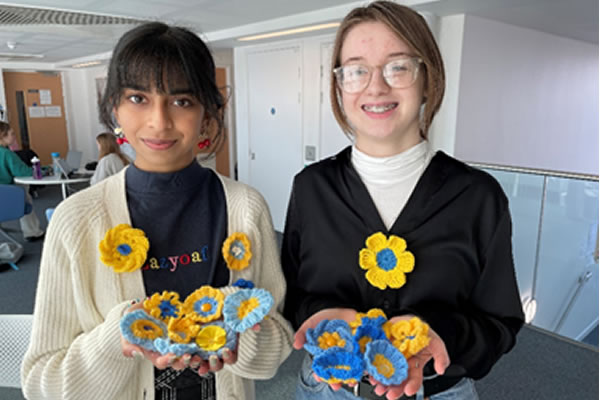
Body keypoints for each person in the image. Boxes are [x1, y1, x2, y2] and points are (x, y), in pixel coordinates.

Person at [22, 22, 293, 400]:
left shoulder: (246, 207)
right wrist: (116, 338)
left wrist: (237, 329)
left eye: (182, 101)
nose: (159, 121)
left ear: (207, 112)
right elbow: (41, 383)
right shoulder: (77, 220)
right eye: (138, 98)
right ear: (113, 106)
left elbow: (276, 348)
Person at [282, 2, 524, 400]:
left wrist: (440, 333)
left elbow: (500, 323)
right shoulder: (311, 187)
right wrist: (319, 314)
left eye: (398, 67)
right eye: (357, 70)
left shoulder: (479, 196)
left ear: (428, 78)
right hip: (327, 389)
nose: (375, 87)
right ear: (340, 85)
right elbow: (292, 295)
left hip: (439, 392)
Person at [0, 121, 44, 241]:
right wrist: (44, 170)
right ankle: (32, 231)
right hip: (5, 198)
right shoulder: (6, 154)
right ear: (3, 136)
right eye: (12, 134)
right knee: (24, 190)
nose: (14, 137)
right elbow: (24, 172)